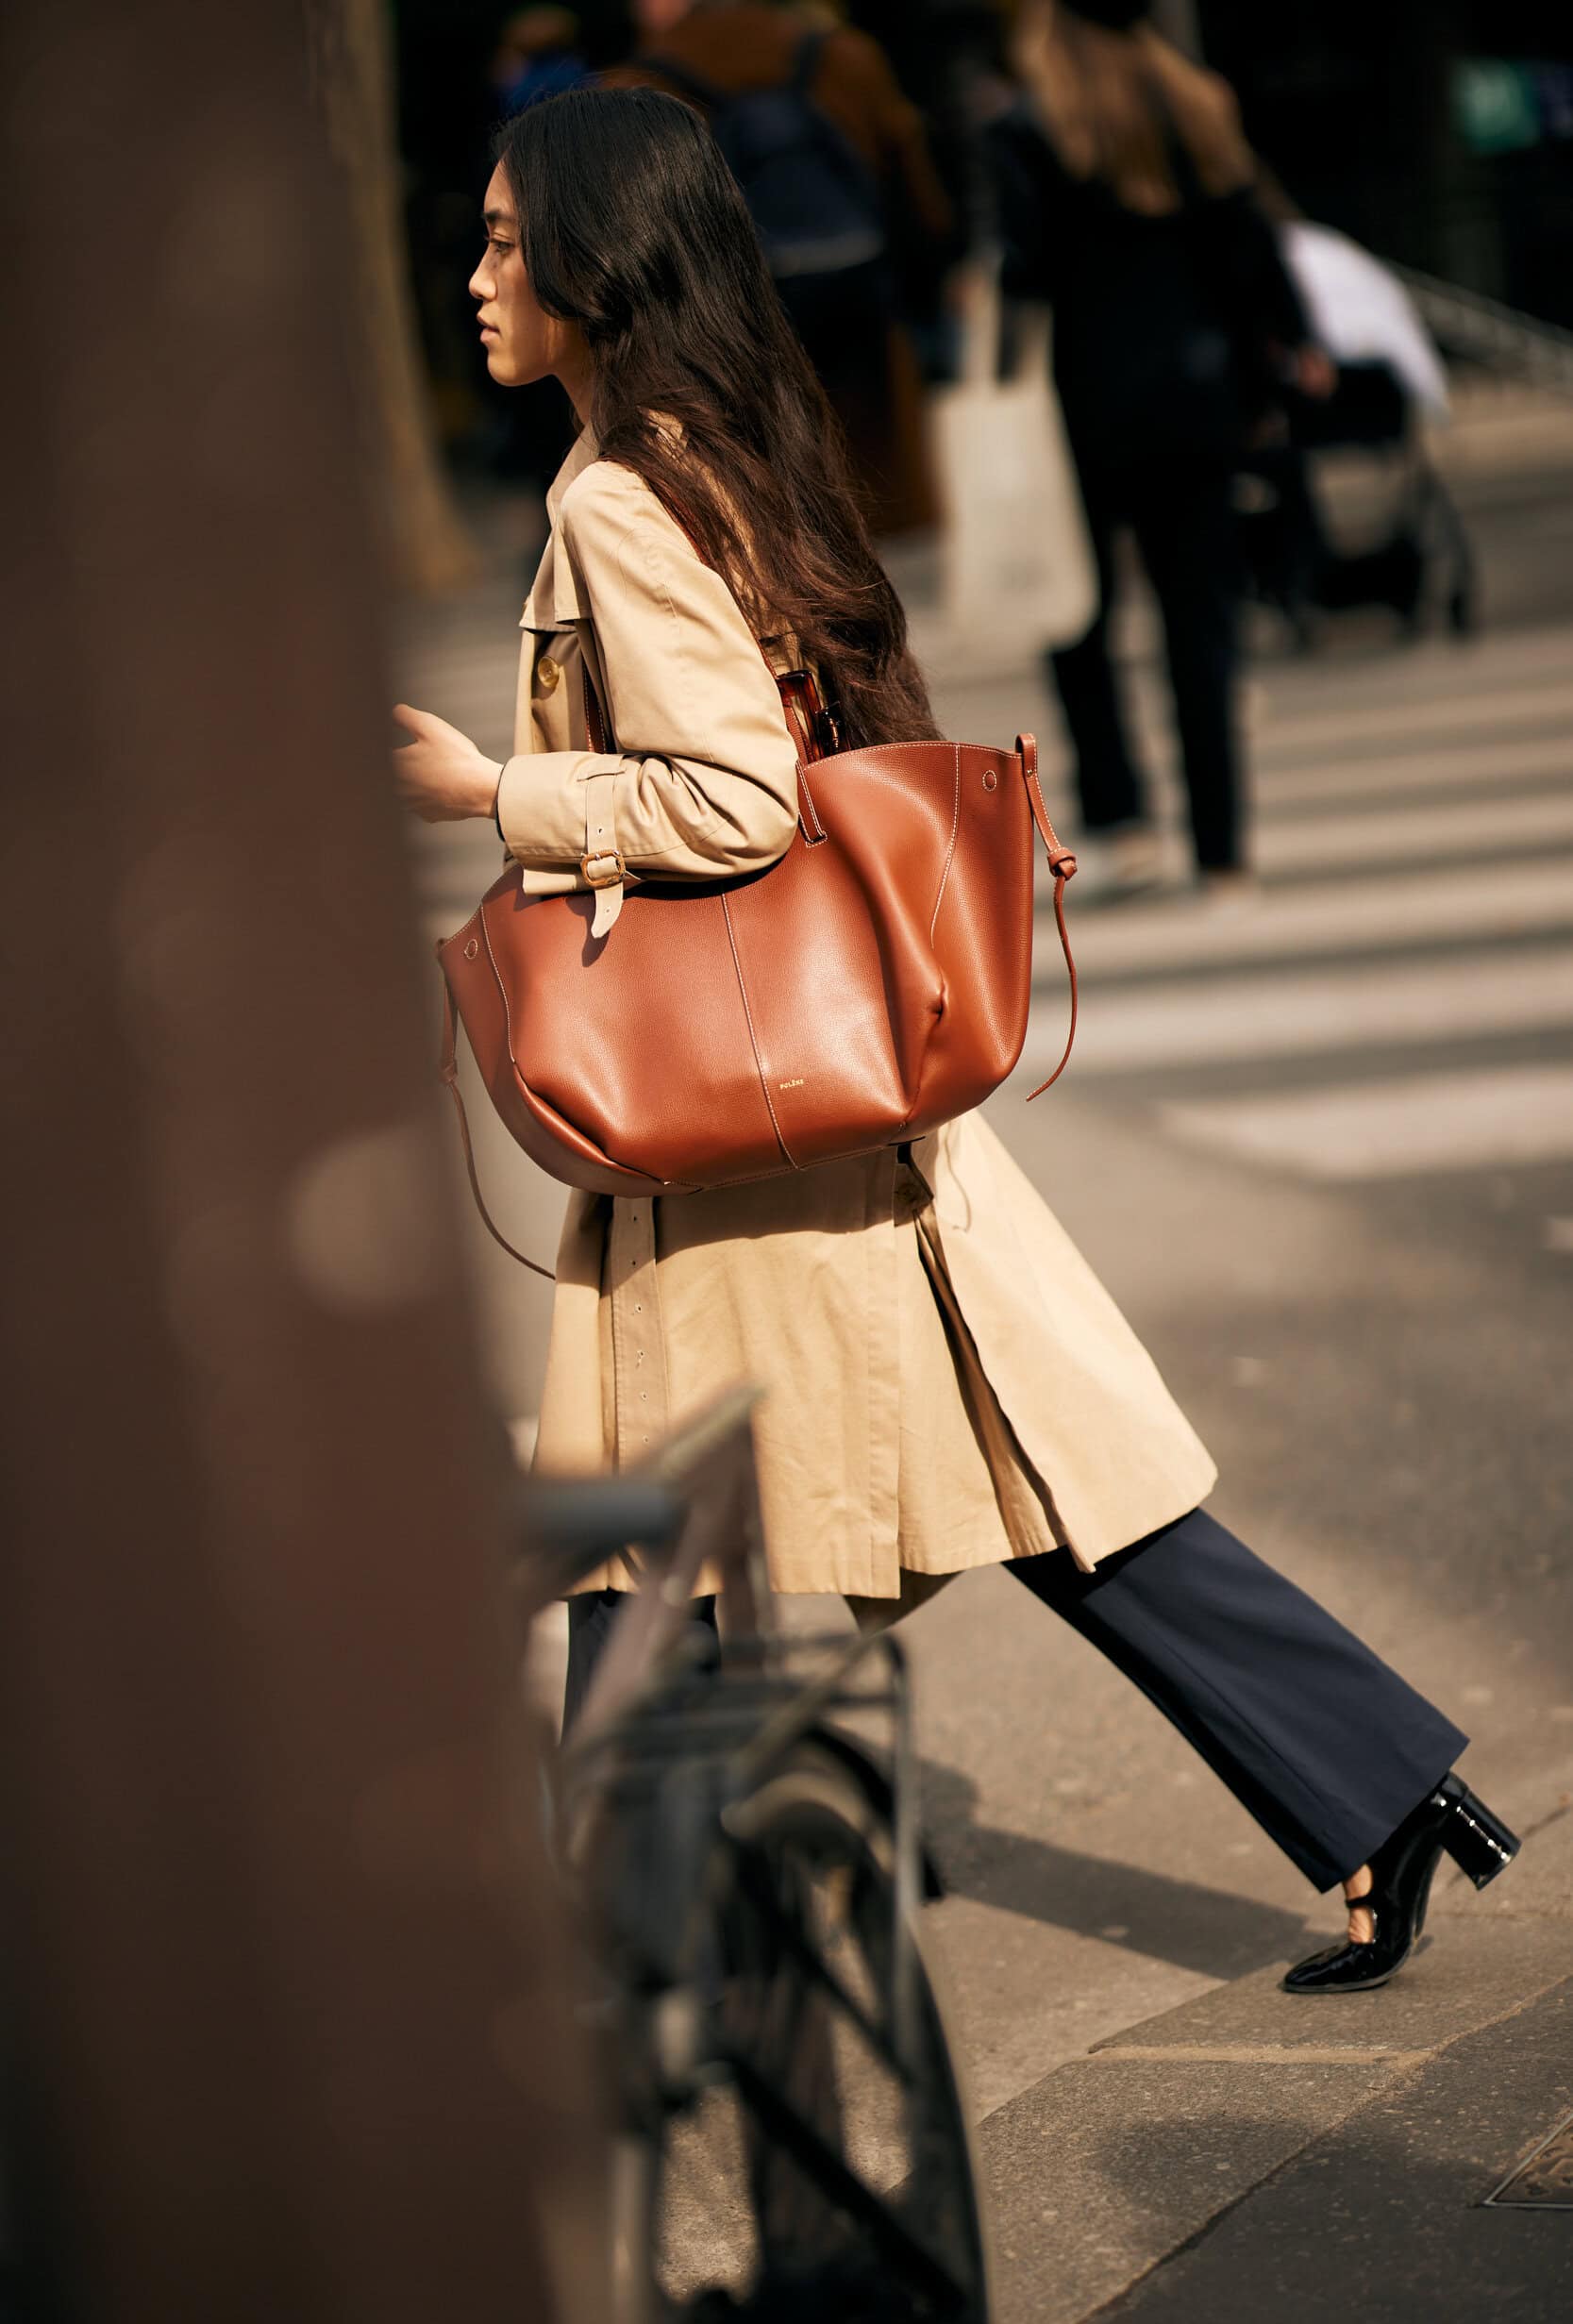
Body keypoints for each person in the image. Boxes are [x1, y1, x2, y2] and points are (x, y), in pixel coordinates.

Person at [393, 84, 1520, 1996]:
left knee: (664, 1501)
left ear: (597, 262)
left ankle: (601, 1941)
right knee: (1001, 1470)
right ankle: (1371, 1786)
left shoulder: (612, 494)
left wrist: (499, 793)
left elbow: (737, 797)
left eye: (507, 240)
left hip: (751, 1107)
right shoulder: (705, 446)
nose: (477, 272)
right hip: (805, 1082)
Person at [990, 1, 1325, 899]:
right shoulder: (1192, 108)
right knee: (1201, 629)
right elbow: (1249, 254)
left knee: (1081, 619)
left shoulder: (1033, 125)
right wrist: (1278, 365)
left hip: (1081, 406)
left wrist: (991, 376)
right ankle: (1222, 851)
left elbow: (1022, 274)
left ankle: (1121, 820)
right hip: (1196, 400)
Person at [608, 1, 957, 536]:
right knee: (871, 495)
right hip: (860, 304)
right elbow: (918, 192)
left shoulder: (639, 87)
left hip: (737, 331)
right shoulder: (841, 55)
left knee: (773, 509)